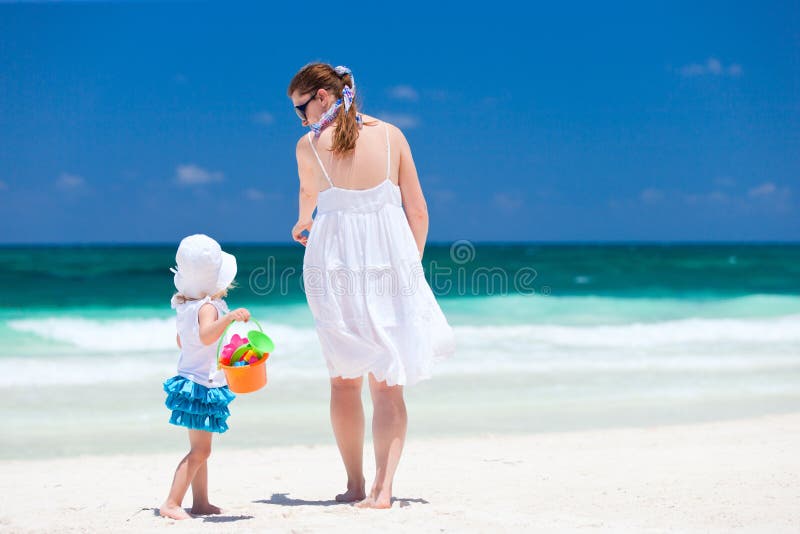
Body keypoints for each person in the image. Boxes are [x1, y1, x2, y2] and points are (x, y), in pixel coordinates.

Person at [288, 63, 456, 509]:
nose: (302, 119)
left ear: (323, 96)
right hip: (390, 265)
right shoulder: (392, 137)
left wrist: (303, 224)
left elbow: (309, 203)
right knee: (387, 384)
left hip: (333, 263)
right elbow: (418, 211)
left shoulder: (309, 147)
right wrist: (409, 268)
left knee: (344, 381)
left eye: (301, 108)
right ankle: (383, 490)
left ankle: (356, 484)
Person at [159, 234, 251, 520]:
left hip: (191, 381)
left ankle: (200, 502)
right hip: (201, 385)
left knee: (200, 448)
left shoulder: (185, 305)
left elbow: (183, 342)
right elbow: (206, 335)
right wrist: (229, 318)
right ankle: (172, 503)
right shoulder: (209, 307)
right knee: (200, 451)